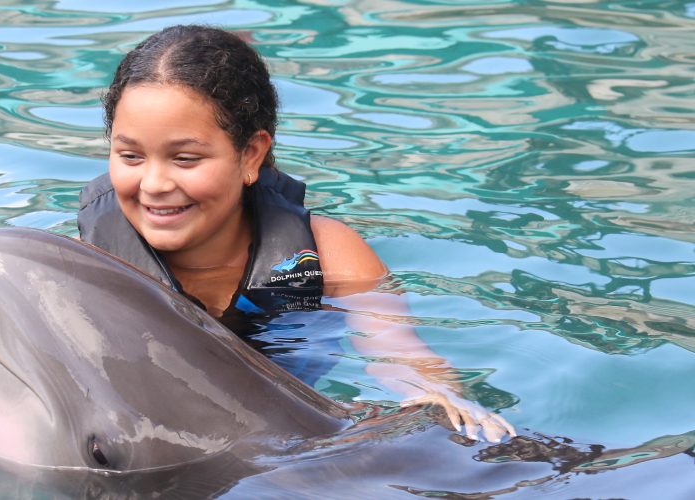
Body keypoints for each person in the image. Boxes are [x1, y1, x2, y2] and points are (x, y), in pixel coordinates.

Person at [78, 25, 515, 442]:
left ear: (251, 154)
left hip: (293, 432)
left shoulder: (329, 253)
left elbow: (396, 349)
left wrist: (434, 394)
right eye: (131, 156)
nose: (153, 184)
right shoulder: (91, 266)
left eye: (186, 159)